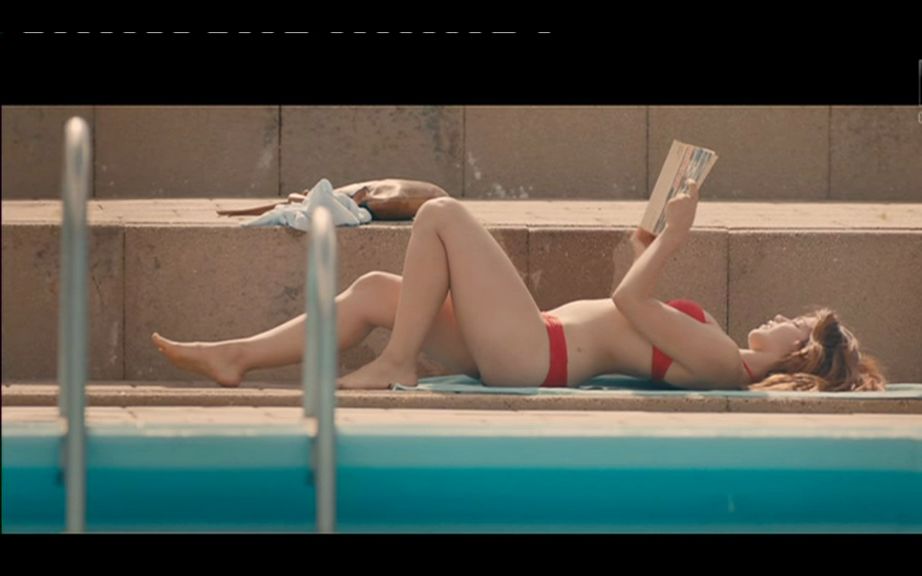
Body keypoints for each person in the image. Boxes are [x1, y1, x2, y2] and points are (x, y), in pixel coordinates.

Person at [152, 179, 886, 392]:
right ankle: (236, 357)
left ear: (798, 357)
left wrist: (675, 238)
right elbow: (626, 312)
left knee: (441, 213)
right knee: (378, 289)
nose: (782, 316)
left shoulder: (727, 364)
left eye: (796, 325)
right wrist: (648, 245)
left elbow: (628, 304)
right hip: (533, 340)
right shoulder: (718, 346)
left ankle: (397, 362)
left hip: (536, 352)